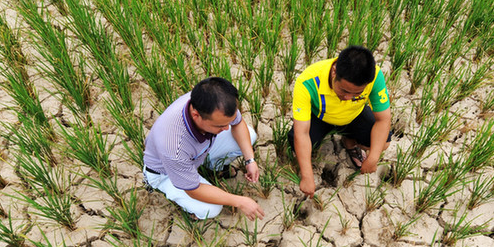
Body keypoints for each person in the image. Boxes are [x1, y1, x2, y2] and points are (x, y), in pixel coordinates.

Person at [143, 77, 265, 220]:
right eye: (220, 126)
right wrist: (240, 201)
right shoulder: (174, 147)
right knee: (211, 209)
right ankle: (189, 208)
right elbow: (193, 190)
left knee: (249, 136)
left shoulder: (217, 103)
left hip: (197, 151)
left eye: (228, 122)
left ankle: (211, 165)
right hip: (164, 173)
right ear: (196, 115)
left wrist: (250, 160)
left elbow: (238, 124)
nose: (226, 128)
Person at [290, 46, 392, 197]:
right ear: (334, 72)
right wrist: (307, 176)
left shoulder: (375, 76)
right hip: (320, 117)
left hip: (353, 115)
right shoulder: (308, 81)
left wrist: (373, 158)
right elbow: (302, 132)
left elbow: (383, 120)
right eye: (344, 90)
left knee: (383, 143)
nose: (348, 97)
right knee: (295, 143)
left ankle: (349, 140)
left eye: (357, 93)